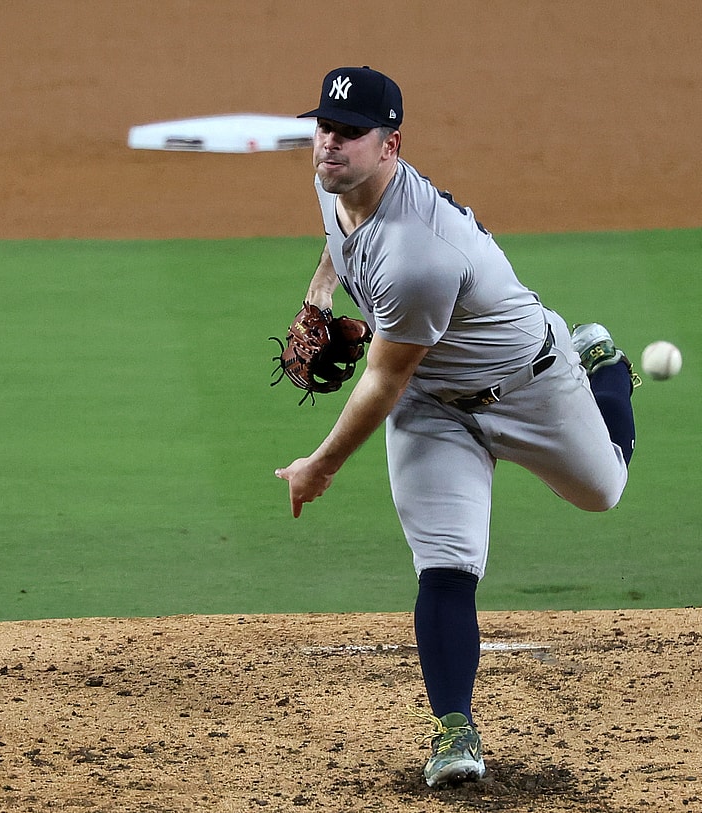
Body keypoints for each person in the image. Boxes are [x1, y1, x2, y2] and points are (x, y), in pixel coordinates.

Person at [274, 66, 639, 788]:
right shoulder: (332, 179)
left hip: (531, 387)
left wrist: (320, 463)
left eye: (351, 133)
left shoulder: (418, 255)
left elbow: (382, 380)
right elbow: (336, 244)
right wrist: (315, 301)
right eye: (324, 128)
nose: (331, 144)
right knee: (446, 563)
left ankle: (600, 363)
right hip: (436, 405)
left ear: (392, 146)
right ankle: (454, 730)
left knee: (604, 491)